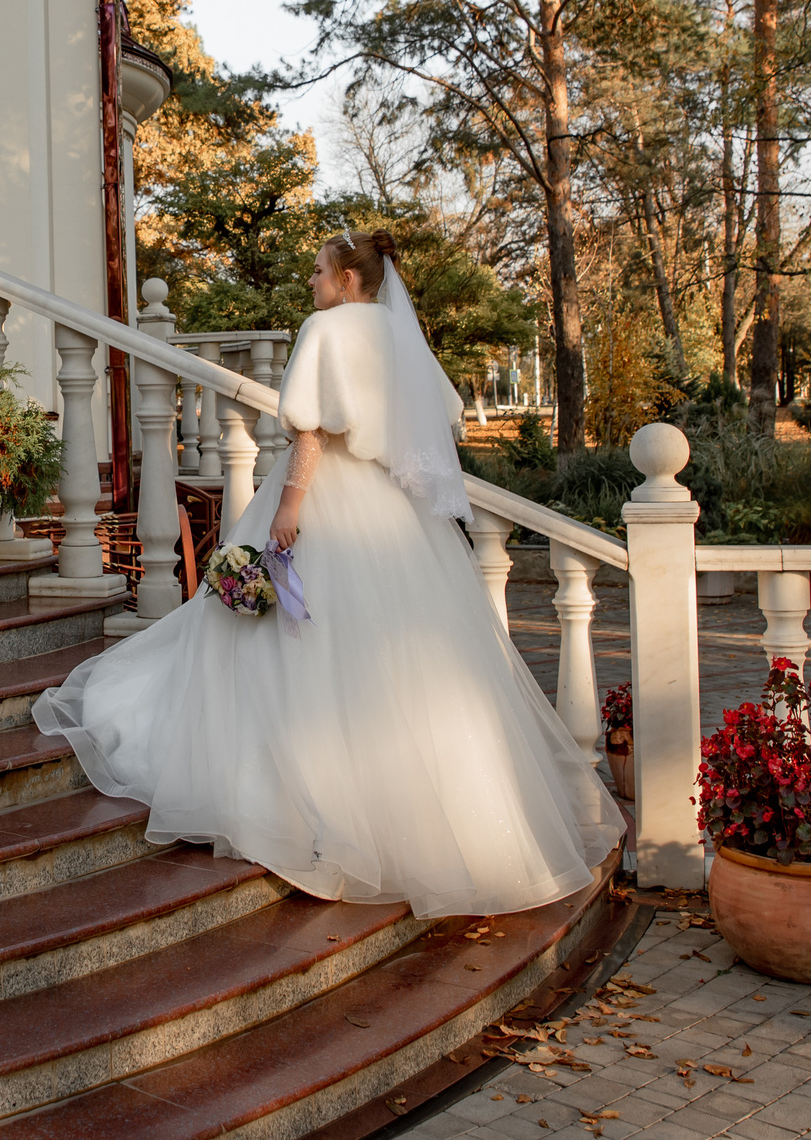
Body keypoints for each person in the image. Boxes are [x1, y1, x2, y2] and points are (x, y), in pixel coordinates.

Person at [32, 229, 625, 917]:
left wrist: (288, 508)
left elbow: (309, 431)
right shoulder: (403, 340)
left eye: (318, 271)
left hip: (325, 499)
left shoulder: (327, 328)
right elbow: (439, 423)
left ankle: (294, 803)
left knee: (284, 641)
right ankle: (429, 823)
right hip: (392, 514)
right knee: (402, 668)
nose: (310, 282)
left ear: (349, 280)